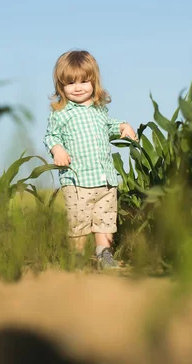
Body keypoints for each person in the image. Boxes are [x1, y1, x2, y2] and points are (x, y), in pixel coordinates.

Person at [43, 49, 137, 270]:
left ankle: (104, 254)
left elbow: (110, 126)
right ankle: (77, 259)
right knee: (79, 223)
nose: (78, 87)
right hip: (77, 181)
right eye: (70, 82)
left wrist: (124, 126)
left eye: (84, 81)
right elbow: (51, 136)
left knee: (105, 222)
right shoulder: (61, 113)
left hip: (105, 179)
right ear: (61, 86)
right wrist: (57, 150)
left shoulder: (99, 110)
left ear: (94, 82)